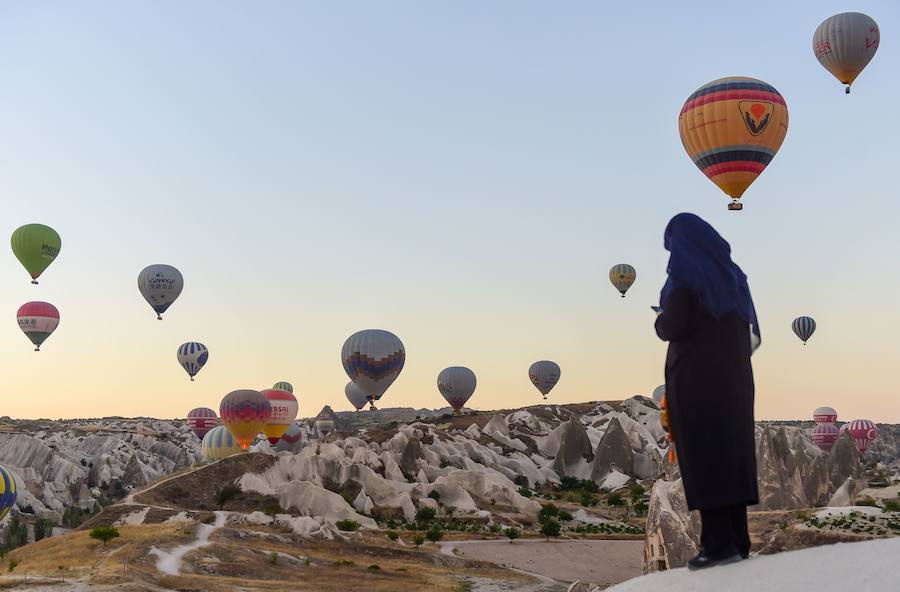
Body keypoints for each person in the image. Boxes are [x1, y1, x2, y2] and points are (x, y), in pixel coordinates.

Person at [654, 213, 760, 570]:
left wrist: (659, 316)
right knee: (730, 455)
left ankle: (716, 545)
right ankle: (738, 541)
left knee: (704, 457)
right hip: (734, 384)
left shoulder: (685, 279)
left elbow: (671, 326)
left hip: (697, 384)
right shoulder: (733, 279)